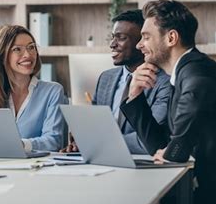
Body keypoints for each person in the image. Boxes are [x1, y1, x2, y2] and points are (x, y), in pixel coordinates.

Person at [121, 0, 216, 204]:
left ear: (171, 38)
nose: (138, 45)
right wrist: (135, 96)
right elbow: (159, 147)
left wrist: (172, 152)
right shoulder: (182, 75)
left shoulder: (197, 72)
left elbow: (173, 154)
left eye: (146, 36)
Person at [63, 10, 171, 154]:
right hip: (103, 161)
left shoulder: (165, 82)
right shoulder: (106, 78)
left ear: (142, 42)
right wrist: (81, 139)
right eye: (113, 37)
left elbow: (149, 140)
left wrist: (97, 143)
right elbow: (95, 126)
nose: (112, 44)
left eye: (121, 38)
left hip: (143, 165)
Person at [0, 25, 68, 151]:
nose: (28, 54)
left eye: (31, 47)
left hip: (38, 168)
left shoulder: (53, 92)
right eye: (17, 49)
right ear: (2, 55)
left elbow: (54, 141)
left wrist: (20, 145)